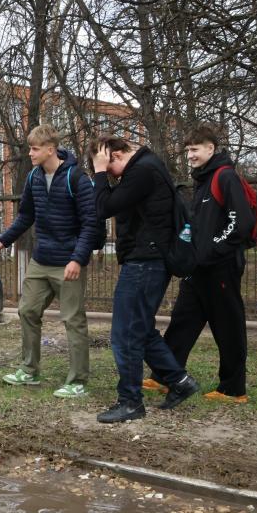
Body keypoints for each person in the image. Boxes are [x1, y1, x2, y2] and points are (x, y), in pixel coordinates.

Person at [91, 134, 199, 423]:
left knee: (124, 334)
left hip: (145, 263)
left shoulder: (142, 171)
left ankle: (130, 402)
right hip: (147, 261)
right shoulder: (147, 168)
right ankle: (180, 381)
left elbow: (103, 207)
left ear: (114, 156)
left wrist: (100, 172)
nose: (107, 175)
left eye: (106, 165)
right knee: (141, 330)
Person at [147, 125, 255, 403]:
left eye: (195, 149)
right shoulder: (203, 181)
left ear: (211, 148)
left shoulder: (225, 176)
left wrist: (213, 250)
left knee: (228, 326)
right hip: (198, 269)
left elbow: (240, 222)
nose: (190, 156)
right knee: (183, 321)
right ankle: (164, 376)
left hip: (221, 267)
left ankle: (233, 389)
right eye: (188, 151)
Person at [0, 124, 100, 398]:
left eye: (35, 148)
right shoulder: (33, 178)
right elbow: (26, 216)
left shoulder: (77, 178)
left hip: (69, 261)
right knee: (27, 310)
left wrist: (78, 258)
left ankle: (78, 381)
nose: (30, 153)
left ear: (50, 149)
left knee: (73, 320)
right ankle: (29, 371)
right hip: (42, 259)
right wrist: (3, 240)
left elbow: (91, 223)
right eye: (30, 148)